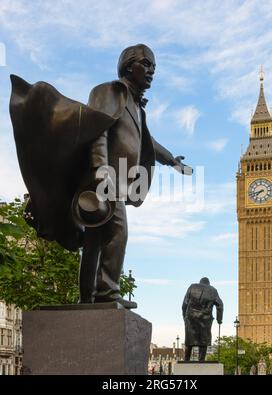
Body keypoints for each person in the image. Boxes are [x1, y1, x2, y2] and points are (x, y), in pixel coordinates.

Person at [9, 44, 192, 309]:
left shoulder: (136, 107)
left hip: (117, 179)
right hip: (106, 179)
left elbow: (147, 140)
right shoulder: (111, 91)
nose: (152, 71)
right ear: (130, 66)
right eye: (146, 64)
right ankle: (107, 294)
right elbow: (98, 128)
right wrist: (100, 168)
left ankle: (89, 297)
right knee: (118, 232)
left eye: (154, 66)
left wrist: (171, 160)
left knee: (95, 241)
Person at [182, 277, 223, 361]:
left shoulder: (192, 287)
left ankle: (186, 360)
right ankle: (201, 360)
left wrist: (184, 317)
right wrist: (219, 319)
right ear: (208, 283)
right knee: (204, 340)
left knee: (189, 340)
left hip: (190, 317)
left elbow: (184, 304)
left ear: (200, 282)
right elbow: (220, 305)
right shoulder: (213, 290)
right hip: (205, 318)